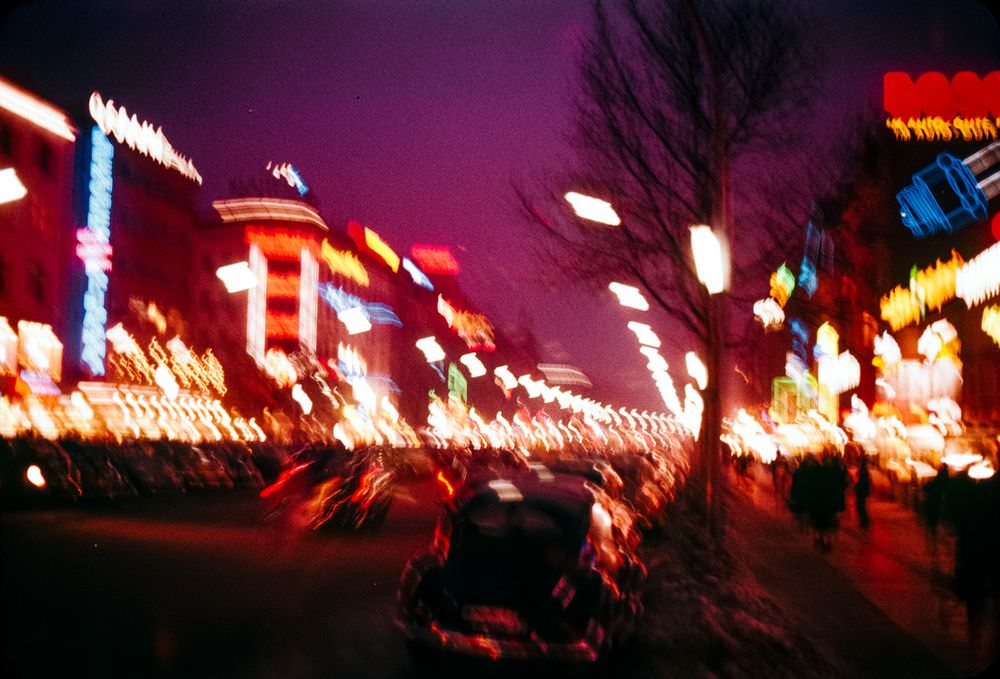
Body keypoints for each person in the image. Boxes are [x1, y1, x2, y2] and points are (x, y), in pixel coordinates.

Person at [854, 455, 871, 530]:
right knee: (861, 506)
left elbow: (861, 481)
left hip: (861, 491)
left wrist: (856, 486)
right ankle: (864, 521)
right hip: (862, 491)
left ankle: (864, 522)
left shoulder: (863, 471)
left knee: (861, 506)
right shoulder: (864, 470)